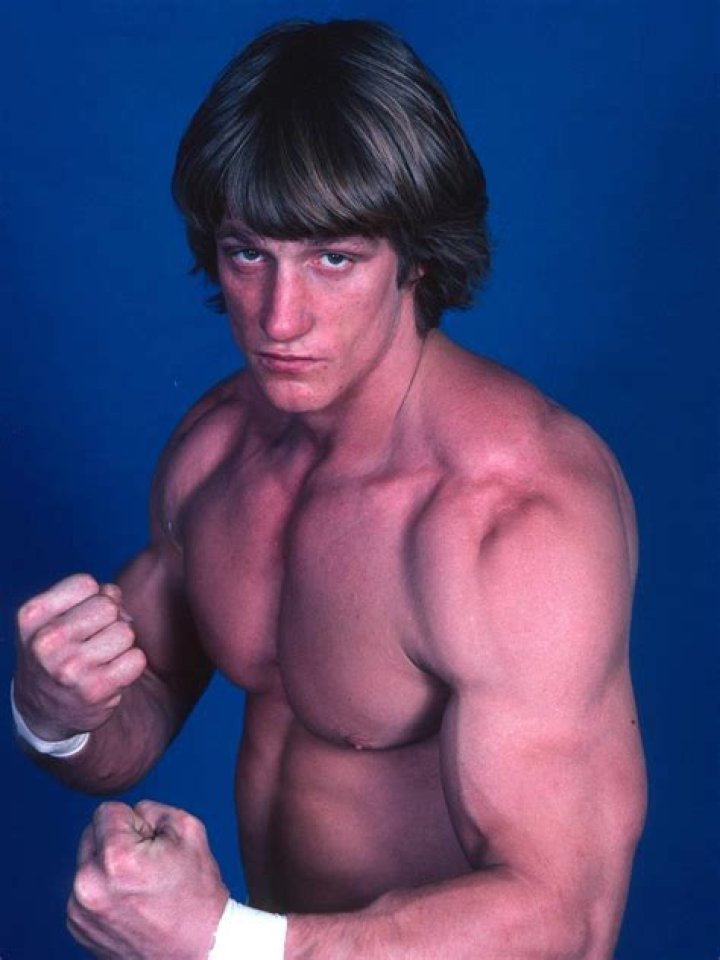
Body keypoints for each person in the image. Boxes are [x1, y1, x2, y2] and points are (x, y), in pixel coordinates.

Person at [12, 19, 646, 960]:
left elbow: (567, 917)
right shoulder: (216, 449)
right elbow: (134, 722)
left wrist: (223, 941)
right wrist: (53, 715)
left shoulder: (509, 517)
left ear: (416, 256)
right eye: (248, 255)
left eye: (333, 260)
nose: (280, 319)